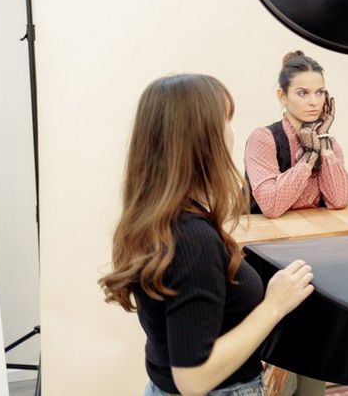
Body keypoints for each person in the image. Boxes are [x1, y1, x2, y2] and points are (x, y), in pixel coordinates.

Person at [98, 74, 314, 396]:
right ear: (201, 137)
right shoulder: (191, 240)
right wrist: (273, 306)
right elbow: (193, 379)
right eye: (225, 121)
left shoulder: (158, 220)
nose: (231, 132)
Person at [244, 51, 348, 218]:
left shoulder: (329, 144)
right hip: (266, 240)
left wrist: (322, 140)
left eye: (319, 92)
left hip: (314, 235)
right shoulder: (263, 138)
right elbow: (271, 206)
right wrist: (309, 155)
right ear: (282, 96)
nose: (314, 102)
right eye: (302, 93)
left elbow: (339, 200)